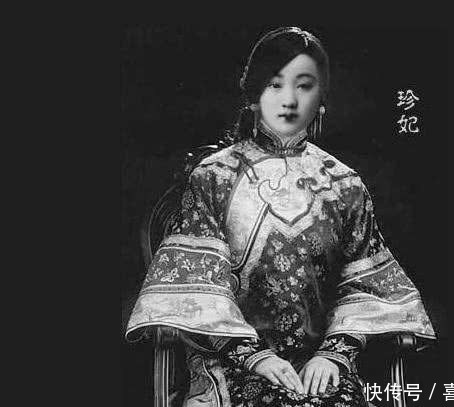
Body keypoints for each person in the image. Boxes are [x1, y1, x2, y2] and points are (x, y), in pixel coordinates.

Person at [126, 26, 436, 407]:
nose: (289, 99)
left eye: (304, 86)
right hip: (233, 363)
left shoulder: (345, 185)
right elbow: (198, 291)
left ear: (321, 100)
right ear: (254, 95)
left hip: (319, 368)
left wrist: (334, 354)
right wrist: (255, 357)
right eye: (275, 85)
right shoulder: (213, 178)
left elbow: (366, 288)